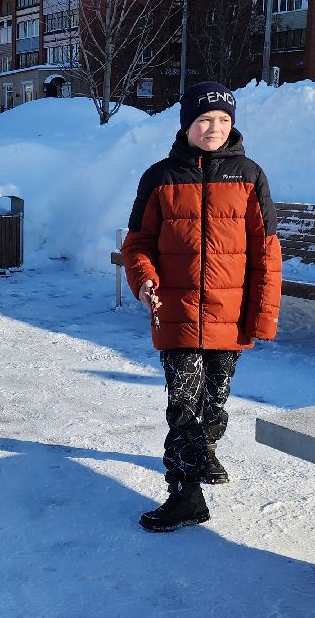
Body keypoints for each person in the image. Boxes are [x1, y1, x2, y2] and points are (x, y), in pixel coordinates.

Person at [121, 81, 282, 533]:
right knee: (184, 404)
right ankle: (185, 494)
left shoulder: (250, 176)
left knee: (215, 402)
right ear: (187, 123)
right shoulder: (160, 177)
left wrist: (263, 314)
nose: (213, 128)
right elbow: (138, 243)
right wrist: (144, 280)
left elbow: (267, 251)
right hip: (176, 311)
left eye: (223, 120)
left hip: (229, 314)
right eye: (204, 120)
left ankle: (204, 449)